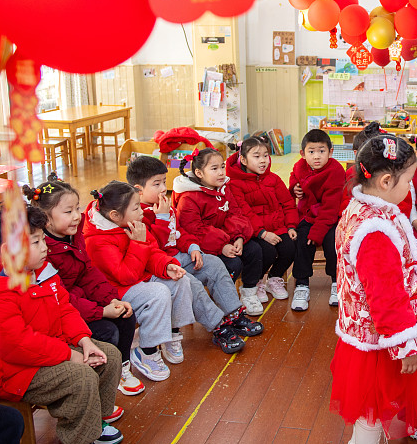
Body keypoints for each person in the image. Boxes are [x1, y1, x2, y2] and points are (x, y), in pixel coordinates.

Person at [330, 133, 417, 444]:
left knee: (371, 412)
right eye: (408, 180)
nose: (411, 186)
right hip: (382, 336)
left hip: (375, 328)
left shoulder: (365, 209)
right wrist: (406, 345)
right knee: (372, 410)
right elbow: (384, 295)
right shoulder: (374, 230)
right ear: (386, 181)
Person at [0, 206, 123, 444]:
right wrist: (69, 355)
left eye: (43, 239)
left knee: (109, 355)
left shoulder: (44, 273)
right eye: (35, 242)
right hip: (17, 373)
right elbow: (18, 343)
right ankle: (79, 439)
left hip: (53, 350)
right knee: (81, 376)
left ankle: (96, 420)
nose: (45, 247)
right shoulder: (4, 290)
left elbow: (65, 309)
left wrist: (83, 341)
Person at [24, 173, 143, 397]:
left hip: (81, 302)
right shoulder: (42, 251)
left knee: (126, 315)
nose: (77, 216)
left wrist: (111, 299)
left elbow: (88, 272)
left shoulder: (74, 234)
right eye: (68, 212)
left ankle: (122, 369)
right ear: (47, 219)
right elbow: (61, 296)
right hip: (64, 313)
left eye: (77, 208)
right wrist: (100, 311)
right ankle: (100, 383)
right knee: (107, 331)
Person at [127, 156, 263, 350]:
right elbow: (153, 247)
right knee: (192, 284)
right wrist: (162, 218)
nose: (162, 188)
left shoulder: (164, 206)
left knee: (215, 264)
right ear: (138, 190)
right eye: (156, 184)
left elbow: (180, 232)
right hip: (158, 267)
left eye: (164, 182)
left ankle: (234, 314)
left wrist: (192, 247)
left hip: (178, 257)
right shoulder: (136, 214)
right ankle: (218, 326)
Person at [84, 181, 195, 382]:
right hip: (116, 291)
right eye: (136, 208)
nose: (141, 211)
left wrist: (166, 265)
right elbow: (125, 276)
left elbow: (152, 251)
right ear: (115, 216)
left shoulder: (131, 223)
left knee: (181, 282)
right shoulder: (97, 240)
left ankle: (171, 334)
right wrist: (137, 242)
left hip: (138, 278)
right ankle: (147, 350)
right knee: (158, 293)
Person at [172, 148, 264, 316]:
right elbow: (195, 230)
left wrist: (239, 237)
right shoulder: (188, 198)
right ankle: (222, 301)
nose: (221, 172)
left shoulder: (223, 188)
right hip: (203, 247)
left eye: (222, 167)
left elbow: (235, 213)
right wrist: (222, 246)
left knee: (255, 250)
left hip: (226, 239)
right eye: (214, 169)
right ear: (199, 172)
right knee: (233, 264)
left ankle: (248, 292)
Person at [226, 136, 297, 303]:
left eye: (266, 155)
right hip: (254, 231)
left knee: (290, 247)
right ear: (243, 159)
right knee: (268, 251)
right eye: (256, 156)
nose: (263, 160)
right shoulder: (235, 184)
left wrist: (291, 226)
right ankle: (256, 281)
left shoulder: (273, 179)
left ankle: (274, 278)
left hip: (277, 226)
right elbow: (244, 213)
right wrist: (263, 233)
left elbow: (288, 203)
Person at [289, 129, 346, 311]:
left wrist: (318, 232)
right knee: (302, 240)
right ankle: (302, 284)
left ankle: (337, 282)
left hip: (329, 217)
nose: (316, 156)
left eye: (322, 151)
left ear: (330, 151)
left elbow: (330, 207)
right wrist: (294, 187)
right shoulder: (300, 166)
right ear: (303, 154)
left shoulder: (336, 170)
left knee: (333, 243)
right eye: (311, 151)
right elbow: (293, 176)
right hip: (307, 214)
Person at [340, 121, 383, 215]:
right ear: (356, 154)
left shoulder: (386, 171)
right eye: (368, 153)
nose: (373, 157)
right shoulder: (352, 172)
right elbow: (346, 201)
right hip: (357, 216)